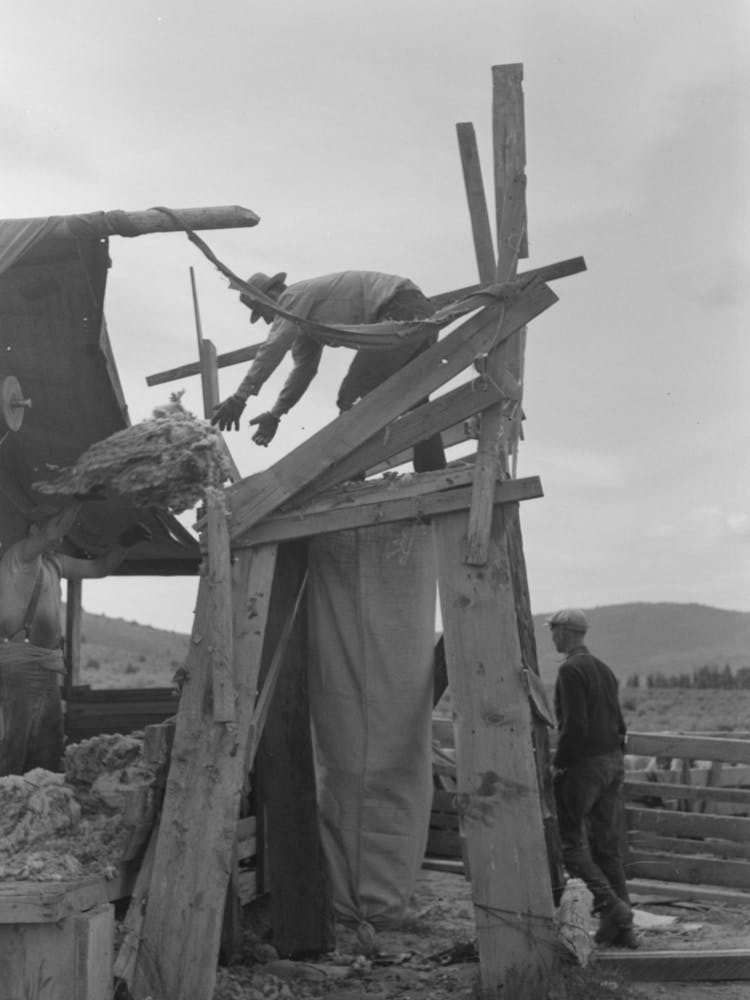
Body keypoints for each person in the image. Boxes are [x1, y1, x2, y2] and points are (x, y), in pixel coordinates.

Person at [211, 270, 446, 472]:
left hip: (401, 309)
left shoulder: (291, 298)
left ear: (270, 297)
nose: (265, 321)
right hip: (420, 311)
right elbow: (304, 371)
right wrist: (276, 414)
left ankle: (350, 476)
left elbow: (273, 347)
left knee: (351, 394)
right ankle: (432, 472)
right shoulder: (305, 323)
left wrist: (240, 398)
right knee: (415, 397)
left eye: (262, 312)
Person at [0, 502, 151, 776]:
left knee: (49, 741)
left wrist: (124, 544)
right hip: (17, 666)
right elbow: (50, 533)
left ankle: (42, 801)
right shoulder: (19, 556)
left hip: (45, 667)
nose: (60, 539)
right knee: (13, 743)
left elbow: (99, 568)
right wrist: (79, 499)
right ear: (34, 530)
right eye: (54, 531)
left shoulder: (55, 563)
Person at [548, 607, 639, 949]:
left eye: (554, 631)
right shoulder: (604, 669)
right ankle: (623, 931)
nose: (553, 637)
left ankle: (613, 907)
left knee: (567, 843)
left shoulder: (571, 670)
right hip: (613, 761)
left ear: (564, 632)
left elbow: (575, 726)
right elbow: (620, 722)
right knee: (606, 847)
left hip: (585, 765)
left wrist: (561, 764)